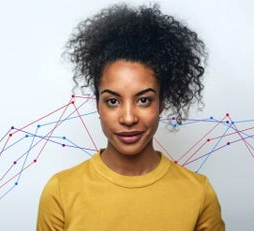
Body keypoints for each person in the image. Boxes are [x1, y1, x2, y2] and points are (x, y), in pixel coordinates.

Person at [36, 3, 224, 231]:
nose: (128, 118)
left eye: (143, 100)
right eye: (112, 101)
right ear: (97, 105)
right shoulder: (60, 192)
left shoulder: (199, 194)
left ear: (162, 103)